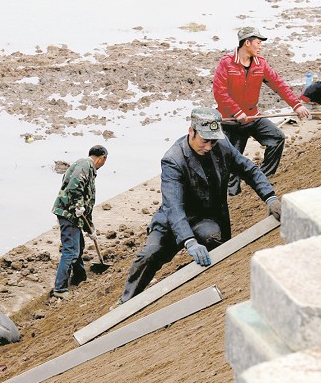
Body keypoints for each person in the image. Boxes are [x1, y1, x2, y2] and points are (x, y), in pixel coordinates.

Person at [116, 108, 282, 306]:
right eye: (205, 141)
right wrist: (189, 241)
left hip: (205, 218)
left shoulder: (222, 145)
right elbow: (174, 207)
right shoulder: (173, 160)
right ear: (191, 131)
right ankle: (125, 303)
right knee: (148, 255)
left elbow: (249, 170)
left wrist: (270, 197)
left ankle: (198, 279)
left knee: (213, 239)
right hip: (172, 220)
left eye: (213, 141)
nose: (209, 146)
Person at [213, 26, 310, 196]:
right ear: (247, 43)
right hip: (231, 121)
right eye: (258, 42)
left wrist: (296, 105)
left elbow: (279, 85)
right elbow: (219, 92)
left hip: (253, 117)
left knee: (277, 138)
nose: (260, 46)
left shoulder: (261, 64)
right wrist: (236, 112)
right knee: (231, 164)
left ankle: (262, 178)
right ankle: (232, 196)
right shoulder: (226, 63)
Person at [51, 145, 108, 299]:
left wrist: (91, 230)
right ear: (102, 158)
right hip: (68, 214)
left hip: (75, 215)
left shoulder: (88, 168)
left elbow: (86, 202)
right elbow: (74, 187)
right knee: (70, 251)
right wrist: (78, 205)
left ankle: (79, 277)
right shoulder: (84, 165)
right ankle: (60, 289)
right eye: (104, 161)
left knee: (79, 246)